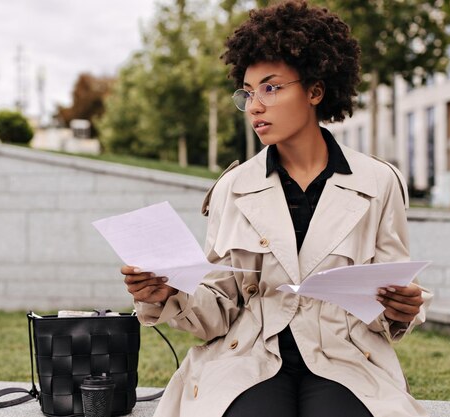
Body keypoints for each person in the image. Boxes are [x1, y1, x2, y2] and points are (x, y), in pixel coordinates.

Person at [122, 1, 433, 416]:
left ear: (315, 91)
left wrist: (401, 308)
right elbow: (219, 308)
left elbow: (388, 297)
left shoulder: (379, 182)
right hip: (249, 355)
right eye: (247, 93)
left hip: (346, 357)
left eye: (271, 88)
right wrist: (169, 293)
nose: (254, 106)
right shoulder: (234, 186)